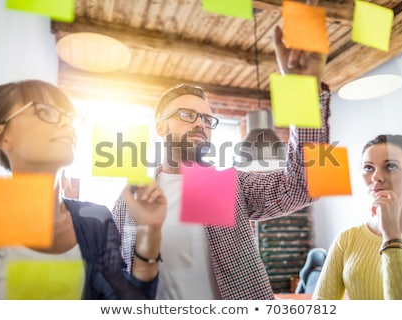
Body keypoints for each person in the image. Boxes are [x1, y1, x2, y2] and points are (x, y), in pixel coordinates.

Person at [111, 12, 332, 299]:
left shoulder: (223, 185)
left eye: (207, 119)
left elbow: (307, 185)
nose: (201, 124)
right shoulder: (133, 198)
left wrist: (305, 96)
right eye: (188, 115)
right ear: (160, 126)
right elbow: (116, 274)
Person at [0, 79, 166, 299]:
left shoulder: (96, 222)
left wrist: (149, 231)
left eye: (69, 118)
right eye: (45, 111)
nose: (66, 124)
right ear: (1, 136)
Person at [313, 134, 402, 300]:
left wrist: (391, 235)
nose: (375, 177)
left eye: (390, 166)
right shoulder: (347, 239)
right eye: (368, 168)